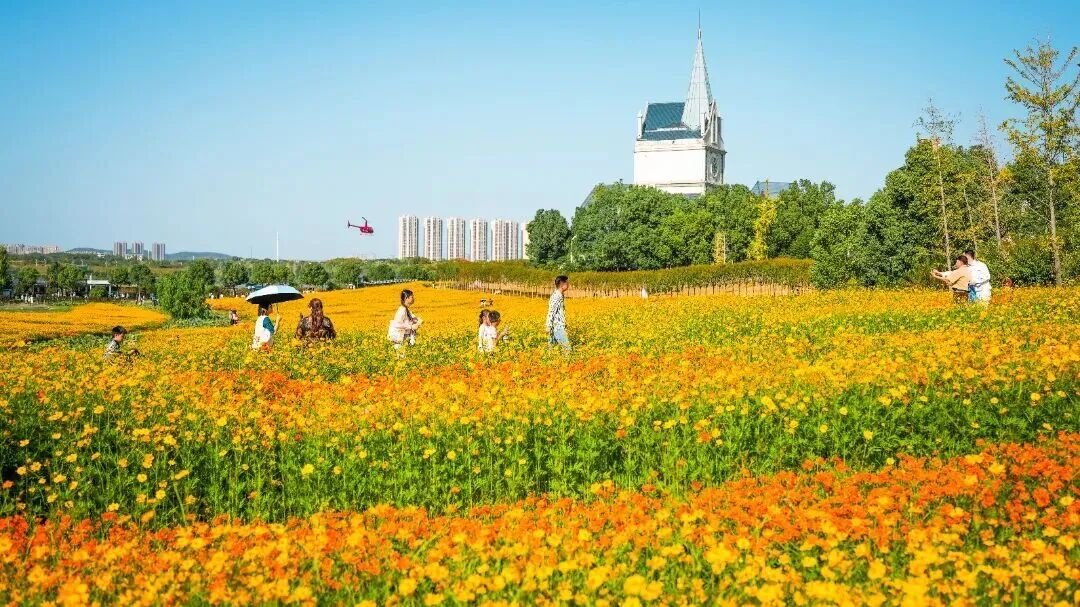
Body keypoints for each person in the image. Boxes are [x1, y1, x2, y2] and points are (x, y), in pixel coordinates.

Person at [546, 275, 570, 351]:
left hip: (557, 326)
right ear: (562, 284)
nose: (568, 285)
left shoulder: (560, 295)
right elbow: (551, 311)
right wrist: (548, 325)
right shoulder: (557, 296)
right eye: (567, 283)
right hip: (557, 327)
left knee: (552, 350)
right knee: (567, 349)